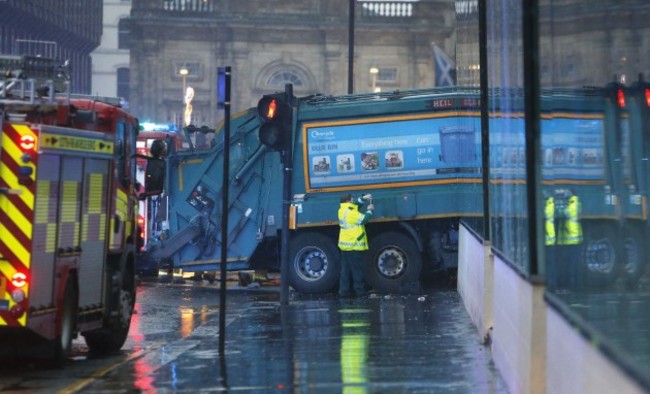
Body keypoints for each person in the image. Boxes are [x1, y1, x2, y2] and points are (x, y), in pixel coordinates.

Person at [338, 193, 374, 297]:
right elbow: (364, 219)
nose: (353, 201)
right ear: (348, 201)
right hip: (354, 245)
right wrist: (370, 210)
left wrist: (363, 198)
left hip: (345, 246)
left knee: (345, 271)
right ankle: (360, 292)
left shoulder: (342, 210)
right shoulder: (350, 213)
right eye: (352, 199)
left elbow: (356, 205)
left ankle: (344, 292)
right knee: (357, 271)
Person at [557, 188, 583, 290]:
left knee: (572, 265)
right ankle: (575, 285)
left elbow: (565, 213)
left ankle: (574, 286)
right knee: (574, 264)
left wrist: (559, 207)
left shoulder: (573, 204)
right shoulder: (575, 203)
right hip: (574, 238)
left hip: (572, 239)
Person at [543, 190, 557, 290]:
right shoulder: (549, 203)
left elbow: (545, 213)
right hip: (549, 239)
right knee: (549, 263)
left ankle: (551, 284)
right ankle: (550, 283)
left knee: (550, 263)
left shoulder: (550, 204)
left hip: (549, 240)